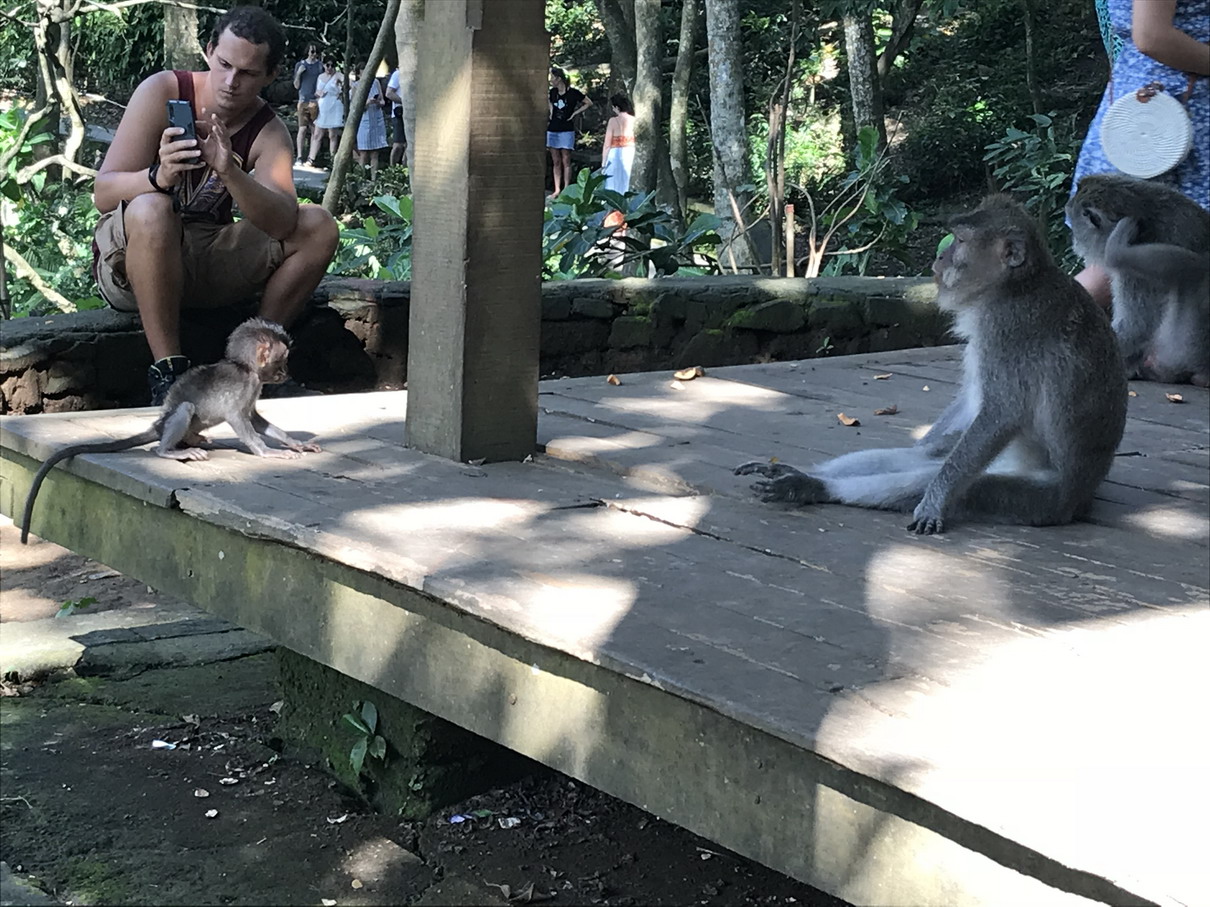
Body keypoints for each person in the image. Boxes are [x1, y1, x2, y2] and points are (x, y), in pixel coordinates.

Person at [91, 6, 339, 405]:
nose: (230, 82)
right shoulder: (163, 91)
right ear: (208, 51)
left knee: (318, 224)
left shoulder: (268, 131)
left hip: (205, 259)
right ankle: (169, 375)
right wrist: (158, 177)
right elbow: (103, 193)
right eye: (224, 65)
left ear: (270, 76)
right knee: (153, 209)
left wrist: (231, 172)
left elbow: (284, 222)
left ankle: (253, 363)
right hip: (130, 262)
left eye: (247, 74)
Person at [1072, 0, 1209, 307]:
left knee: (1125, 268)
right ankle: (1024, 344)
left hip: (1153, 114)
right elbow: (1152, 37)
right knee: (1113, 268)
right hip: (1166, 127)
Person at [547, 66, 592, 196]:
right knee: (555, 160)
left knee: (566, 159)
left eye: (552, 78)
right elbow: (549, 102)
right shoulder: (552, 93)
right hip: (553, 128)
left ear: (559, 78)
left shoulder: (573, 93)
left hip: (566, 129)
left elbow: (588, 102)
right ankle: (557, 190)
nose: (551, 81)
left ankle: (566, 188)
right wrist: (551, 112)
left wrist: (575, 113)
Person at [351, 65, 388, 178]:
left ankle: (374, 180)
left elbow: (383, 101)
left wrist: (377, 102)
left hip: (376, 118)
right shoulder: (356, 86)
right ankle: (361, 178)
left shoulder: (375, 82)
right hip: (364, 119)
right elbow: (354, 106)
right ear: (358, 74)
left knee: (375, 152)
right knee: (364, 152)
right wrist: (367, 102)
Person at [308, 57, 344, 169]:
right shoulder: (320, 76)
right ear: (324, 65)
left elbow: (348, 83)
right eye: (327, 65)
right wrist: (318, 93)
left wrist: (341, 90)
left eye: (332, 65)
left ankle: (333, 160)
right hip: (323, 106)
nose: (329, 68)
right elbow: (316, 92)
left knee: (332, 134)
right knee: (317, 133)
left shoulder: (338, 75)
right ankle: (311, 159)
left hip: (334, 105)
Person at [292, 43, 322, 167]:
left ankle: (311, 158)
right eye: (311, 51)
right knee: (302, 129)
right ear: (307, 52)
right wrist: (299, 73)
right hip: (303, 100)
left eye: (315, 52)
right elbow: (296, 86)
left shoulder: (320, 66)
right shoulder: (301, 65)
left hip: (315, 101)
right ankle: (299, 156)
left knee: (314, 130)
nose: (313, 54)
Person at [600, 92, 635, 194]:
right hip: (630, 151)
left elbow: (607, 144)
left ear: (616, 107)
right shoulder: (634, 120)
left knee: (613, 182)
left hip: (615, 153)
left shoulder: (613, 121)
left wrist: (603, 163)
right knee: (627, 180)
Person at [385, 67, 406, 167]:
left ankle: (405, 168)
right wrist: (405, 101)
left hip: (412, 114)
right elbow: (389, 93)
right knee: (398, 145)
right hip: (399, 114)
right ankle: (392, 169)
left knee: (409, 144)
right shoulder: (398, 74)